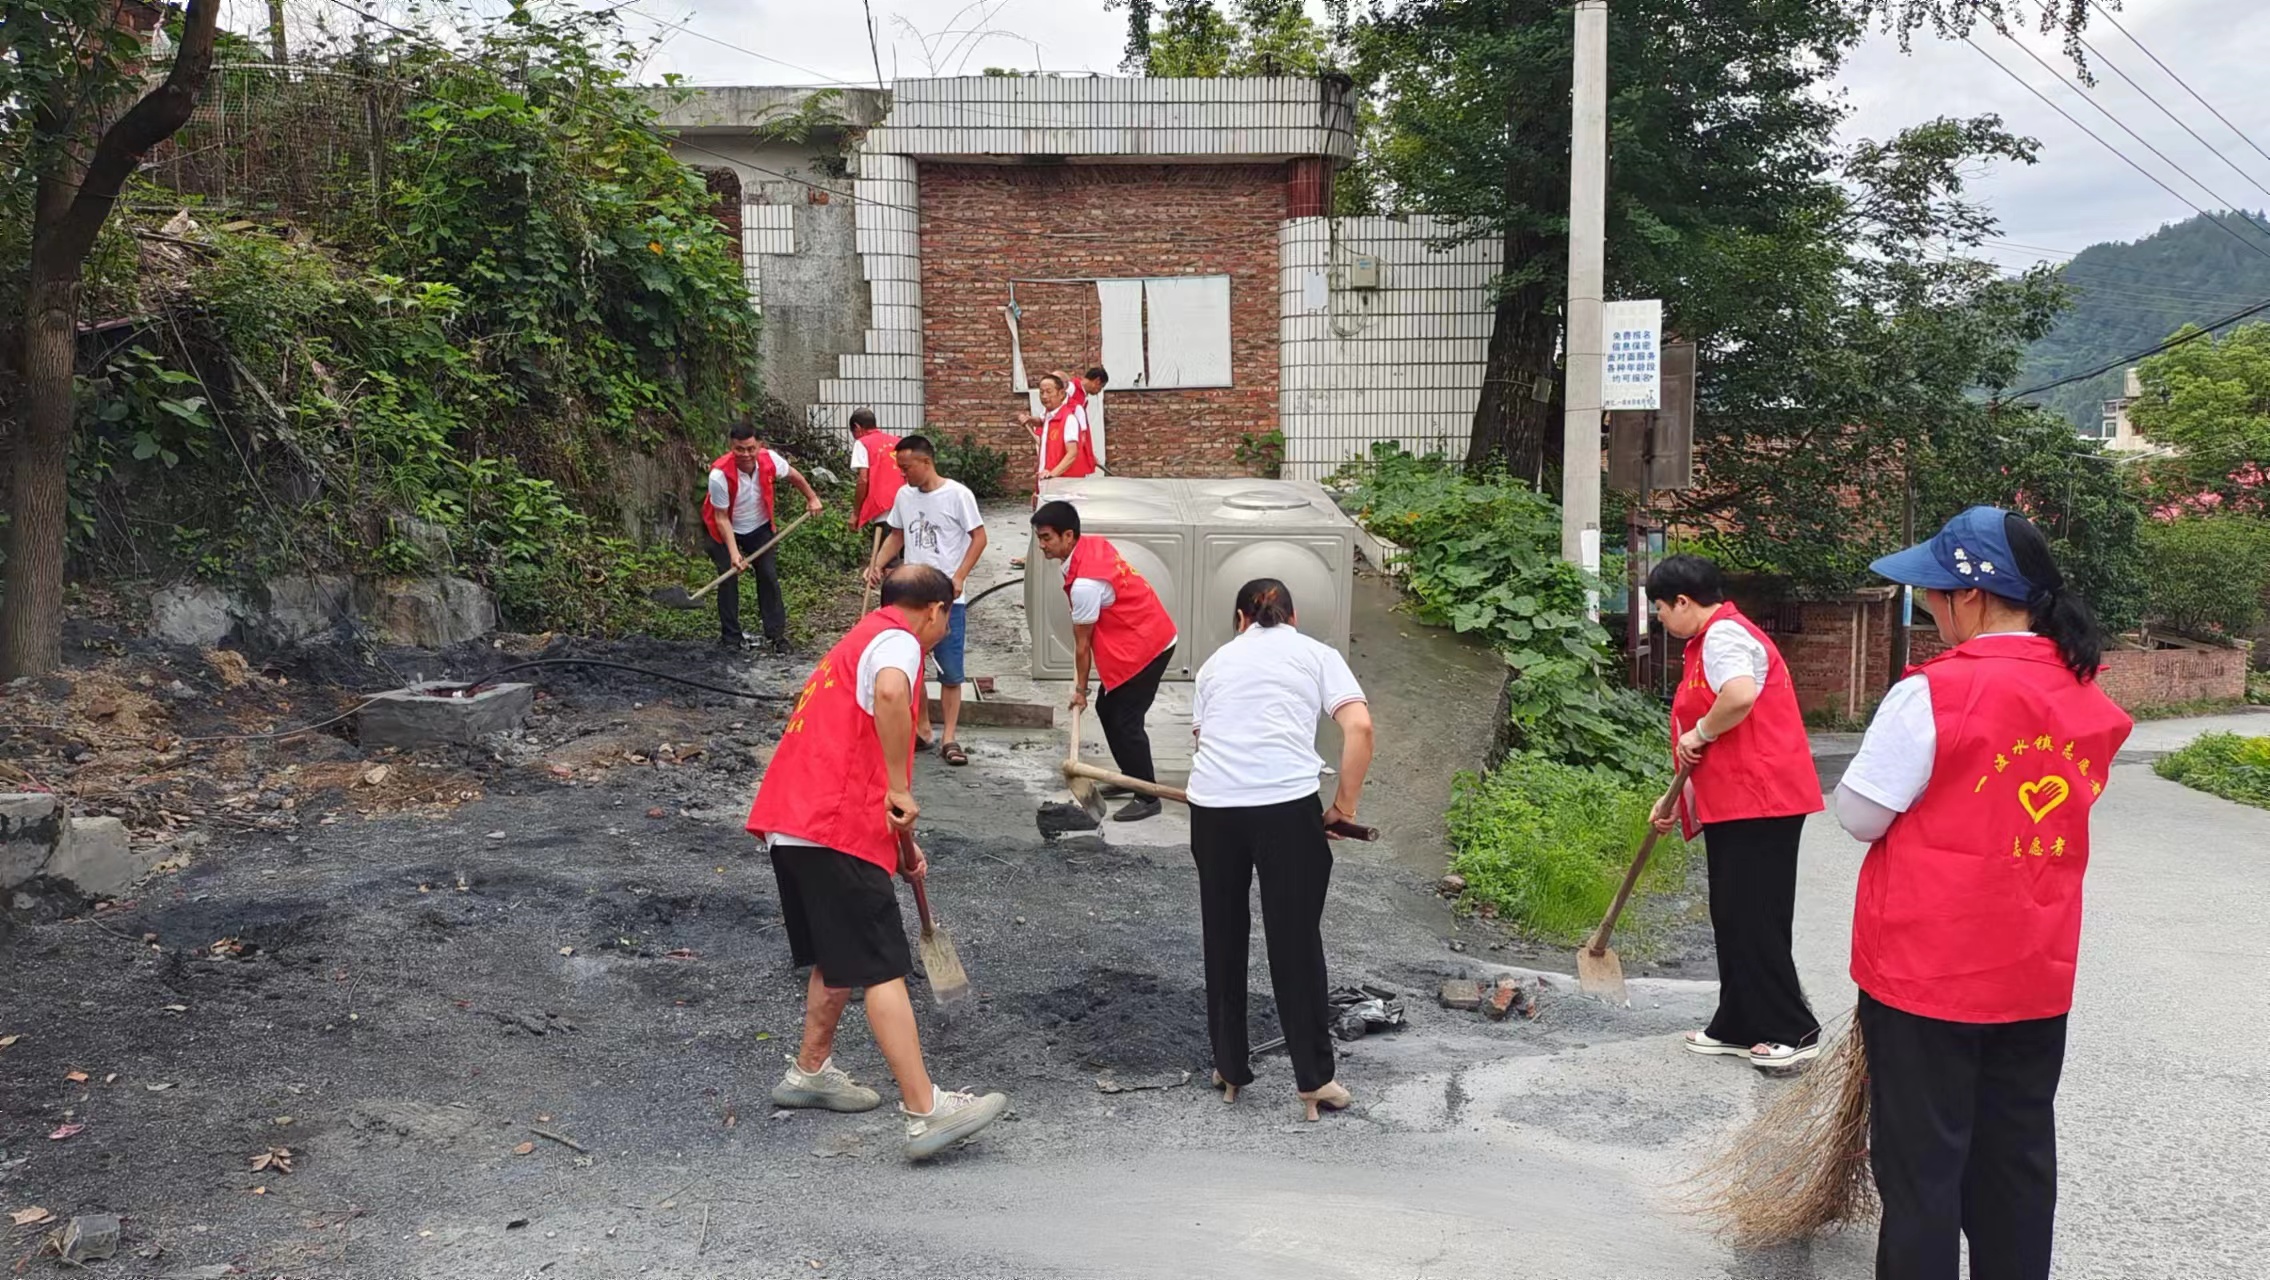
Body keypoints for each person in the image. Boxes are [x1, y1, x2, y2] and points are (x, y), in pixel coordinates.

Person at [1833, 507, 2131, 1280]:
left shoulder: (1936, 692)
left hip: (1927, 973)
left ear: (1970, 596)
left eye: (1930, 592)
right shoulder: (2080, 686)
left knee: (1923, 1173)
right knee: (2016, 1162)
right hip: (2034, 969)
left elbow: (1859, 816)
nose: (1926, 608)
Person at [744, 564, 1012, 1160]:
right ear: (937, 609)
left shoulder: (855, 641)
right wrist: (899, 787)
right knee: (882, 966)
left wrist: (905, 852)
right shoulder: (898, 641)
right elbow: (891, 697)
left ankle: (809, 1072)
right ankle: (924, 1112)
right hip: (832, 826)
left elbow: (854, 752)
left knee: (837, 956)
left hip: (797, 825)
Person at [1186, 578, 1373, 1121]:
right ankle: (1314, 1081)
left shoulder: (1217, 663)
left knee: (1223, 933)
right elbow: (1358, 726)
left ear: (1241, 618)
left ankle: (1229, 1068)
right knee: (1294, 941)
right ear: (1291, 617)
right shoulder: (1317, 655)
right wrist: (1343, 807)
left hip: (1212, 806)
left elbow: (1206, 741)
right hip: (1285, 807)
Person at [1646, 554, 1825, 1070]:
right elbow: (1703, 750)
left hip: (1763, 800)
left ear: (1683, 601)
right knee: (1732, 914)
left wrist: (1700, 730)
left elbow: (1739, 697)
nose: (1660, 618)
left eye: (1661, 608)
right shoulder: (1709, 641)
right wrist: (1672, 799)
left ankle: (1793, 1028)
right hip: (1740, 799)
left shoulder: (1724, 637)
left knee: (1756, 914)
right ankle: (1739, 1021)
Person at [1032, 499, 1177, 822]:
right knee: (1107, 709)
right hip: (1136, 633)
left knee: (1126, 719)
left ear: (1068, 536)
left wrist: (1080, 691)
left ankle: (1147, 795)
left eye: (1046, 538)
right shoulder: (1090, 545)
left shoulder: (1086, 583)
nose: (1041, 545)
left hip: (1148, 645)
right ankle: (1130, 775)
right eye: (1039, 538)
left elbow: (1082, 645)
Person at [863, 435, 987, 767]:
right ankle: (922, 729)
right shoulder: (904, 496)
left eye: (907, 468)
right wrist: (876, 564)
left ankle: (950, 737)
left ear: (926, 462)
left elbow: (979, 537)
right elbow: (898, 535)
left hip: (947, 598)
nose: (904, 476)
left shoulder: (958, 495)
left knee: (950, 670)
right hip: (910, 596)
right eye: (901, 470)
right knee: (910, 661)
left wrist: (959, 576)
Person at [703, 422, 823, 654]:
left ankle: (776, 635)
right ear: (731, 447)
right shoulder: (719, 474)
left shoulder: (770, 460)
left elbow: (795, 476)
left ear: (759, 445)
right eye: (739, 449)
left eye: (750, 448)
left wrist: (812, 498)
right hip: (724, 529)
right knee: (727, 579)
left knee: (768, 576)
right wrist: (734, 553)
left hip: (759, 527)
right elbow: (721, 519)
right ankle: (731, 638)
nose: (745, 454)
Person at [848, 408, 906, 533]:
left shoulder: (862, 443)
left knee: (884, 551)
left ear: (857, 427)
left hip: (882, 509)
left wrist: (855, 513)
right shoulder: (898, 441)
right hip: (906, 506)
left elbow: (863, 480)